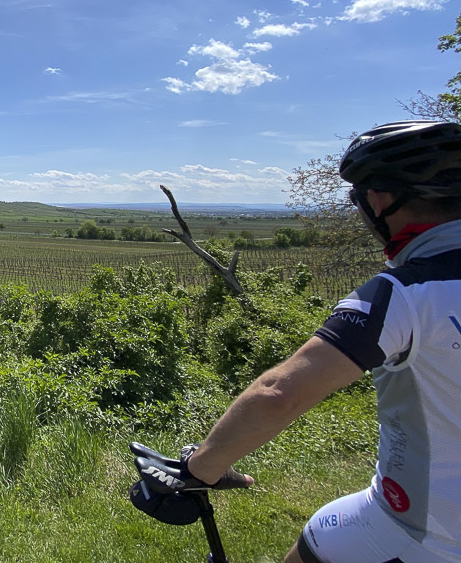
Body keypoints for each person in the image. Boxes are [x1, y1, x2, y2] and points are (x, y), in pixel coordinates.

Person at [183, 120, 461, 563]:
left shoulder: (403, 295)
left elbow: (279, 394)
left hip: (423, 532)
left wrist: (199, 468)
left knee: (322, 538)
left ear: (381, 199)